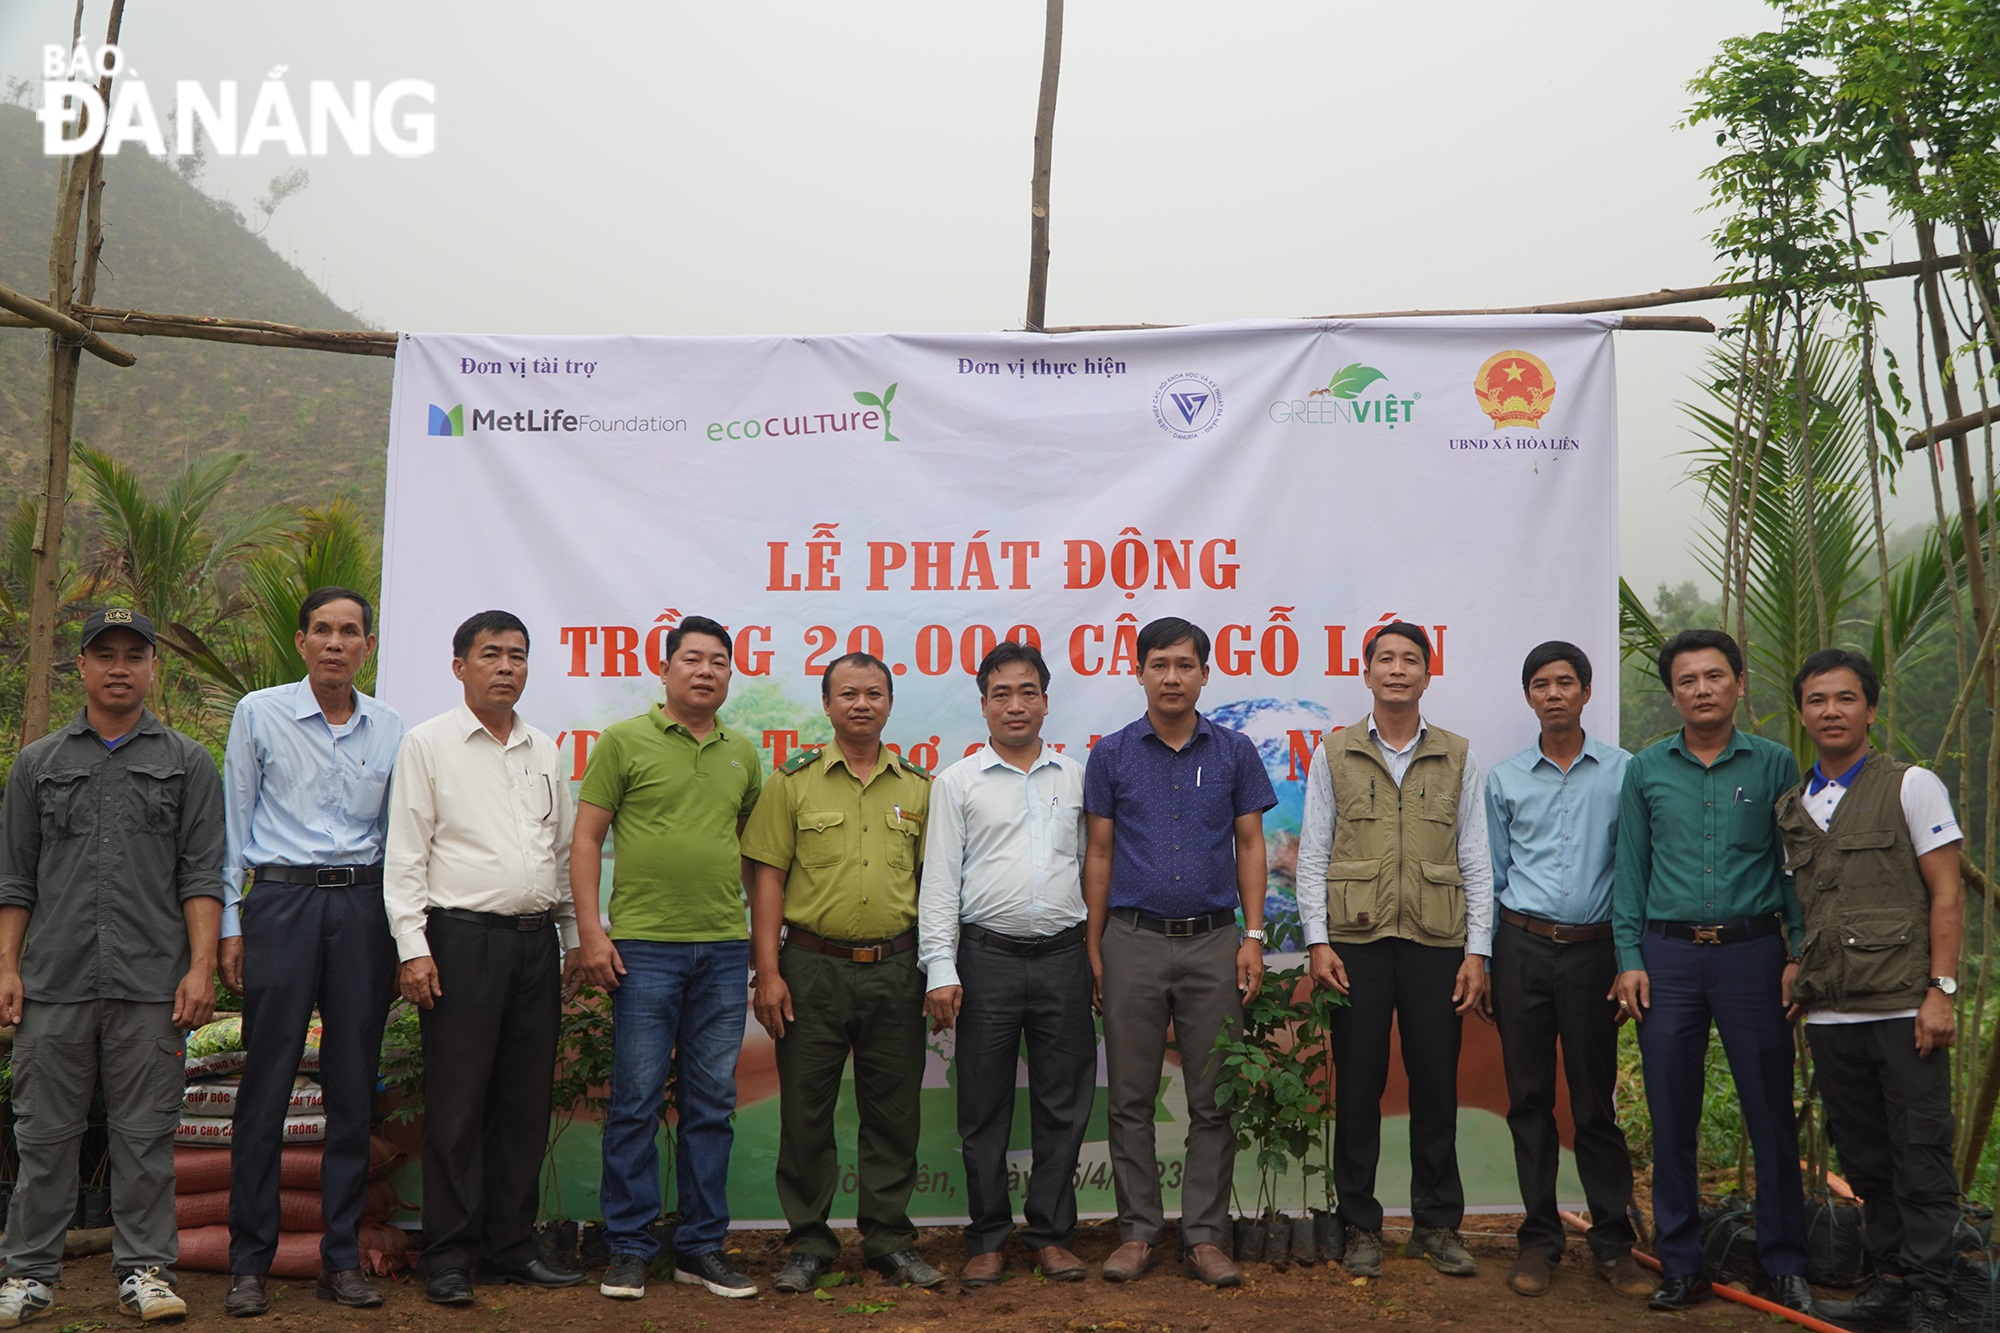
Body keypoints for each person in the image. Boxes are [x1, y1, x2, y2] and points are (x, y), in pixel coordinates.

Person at [0, 608, 223, 1325]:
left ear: (155, 666)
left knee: (146, 1135)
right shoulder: (38, 763)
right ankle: (28, 1275)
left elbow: (202, 875)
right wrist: (6, 966)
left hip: (151, 982)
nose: (120, 666)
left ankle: (146, 1271)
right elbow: (15, 879)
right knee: (43, 1137)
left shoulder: (188, 762)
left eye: (135, 653)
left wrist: (200, 967)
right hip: (53, 982)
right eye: (105, 654)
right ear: (83, 666)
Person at [383, 610, 584, 1306]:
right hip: (461, 941)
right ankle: (447, 1252)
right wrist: (413, 948)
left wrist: (573, 935)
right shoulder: (428, 744)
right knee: (458, 1105)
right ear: (459, 664)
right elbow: (406, 855)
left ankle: (509, 1247)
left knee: (525, 1103)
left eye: (518, 655)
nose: (506, 666)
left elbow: (556, 855)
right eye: (491, 653)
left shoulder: (545, 748)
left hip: (536, 944)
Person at [217, 587, 405, 1318]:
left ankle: (340, 1258)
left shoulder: (390, 727)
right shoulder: (259, 712)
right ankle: (248, 1263)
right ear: (301, 642)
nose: (335, 642)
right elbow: (234, 824)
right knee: (265, 1084)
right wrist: (233, 924)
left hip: (362, 907)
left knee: (353, 1087)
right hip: (282, 903)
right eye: (322, 630)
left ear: (369, 645)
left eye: (349, 631)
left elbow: (399, 837)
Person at [1612, 628, 1810, 1314]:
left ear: (1739, 684)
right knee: (1671, 1114)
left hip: (1753, 954)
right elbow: (1630, 872)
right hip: (1667, 957)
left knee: (1769, 1110)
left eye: (1714, 676)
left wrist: (1797, 953)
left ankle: (1784, 1261)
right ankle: (1682, 1262)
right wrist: (1630, 958)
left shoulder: (1775, 763)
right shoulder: (1646, 769)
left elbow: (1794, 867)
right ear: (1673, 693)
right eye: (1688, 680)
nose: (1702, 689)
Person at [570, 615, 762, 1301]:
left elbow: (748, 848)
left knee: (712, 1103)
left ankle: (702, 1245)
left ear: (728, 675)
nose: (705, 671)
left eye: (718, 661)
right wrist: (593, 934)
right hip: (644, 947)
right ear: (666, 668)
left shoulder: (745, 749)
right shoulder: (624, 741)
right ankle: (627, 1244)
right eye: (692, 659)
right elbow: (587, 839)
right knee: (636, 1101)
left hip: (722, 947)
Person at [741, 653, 944, 1294]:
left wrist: (936, 966)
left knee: (893, 1114)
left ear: (889, 704)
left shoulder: (918, 786)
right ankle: (808, 1244)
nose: (862, 703)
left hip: (897, 969)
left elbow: (938, 886)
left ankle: (889, 1241)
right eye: (848, 693)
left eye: (874, 693)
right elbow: (766, 876)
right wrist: (767, 969)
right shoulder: (793, 781)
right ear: (827, 705)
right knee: (806, 1113)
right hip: (810, 969)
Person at [1296, 620, 1492, 1280]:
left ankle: (1437, 1225)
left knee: (1437, 1085)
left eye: (1411, 658)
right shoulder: (1335, 752)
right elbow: (1313, 852)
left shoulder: (1460, 754)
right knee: (1358, 1087)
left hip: (1438, 941)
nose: (1398, 668)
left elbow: (1476, 856)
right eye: (1386, 658)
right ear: (1367, 671)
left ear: (1427, 673)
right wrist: (1317, 941)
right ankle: (1359, 1224)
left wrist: (1478, 950)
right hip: (1356, 942)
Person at [1084, 617, 1274, 1289]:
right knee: (1130, 1097)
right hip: (1131, 940)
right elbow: (1099, 852)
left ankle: (1204, 1236)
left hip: (1214, 942)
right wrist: (1095, 946)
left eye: (1184, 664)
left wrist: (1253, 936)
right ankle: (1136, 1231)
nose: (1171, 676)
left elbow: (1251, 844)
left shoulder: (1234, 751)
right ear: (1138, 672)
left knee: (1212, 1097)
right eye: (1159, 663)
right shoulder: (1111, 754)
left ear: (1204, 673)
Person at [1777, 650, 1962, 1333]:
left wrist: (1940, 990)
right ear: (1803, 712)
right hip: (1830, 1014)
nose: (1831, 710)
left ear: (1871, 709)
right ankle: (1889, 1282)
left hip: (1904, 1007)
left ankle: (1933, 1291)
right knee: (1865, 1155)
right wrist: (1796, 961)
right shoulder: (1794, 806)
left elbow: (1946, 892)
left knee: (1921, 1150)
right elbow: (1807, 904)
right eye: (1818, 699)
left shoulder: (1912, 785)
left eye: (1846, 698)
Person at [919, 641, 1093, 1289]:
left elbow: (1092, 868)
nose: (1015, 705)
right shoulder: (956, 782)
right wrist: (941, 965)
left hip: (1063, 958)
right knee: (983, 1106)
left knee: (1063, 1104)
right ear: (984, 704)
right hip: (984, 959)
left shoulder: (1077, 778)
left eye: (1028, 692)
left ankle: (1051, 1235)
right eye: (1002, 693)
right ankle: (988, 1237)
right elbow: (939, 881)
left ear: (1046, 701)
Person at [1482, 641, 1650, 1299]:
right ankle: (1539, 1239)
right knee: (1528, 1100)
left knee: (1592, 1102)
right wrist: (1488, 959)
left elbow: (1635, 872)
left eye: (1566, 682)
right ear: (1528, 696)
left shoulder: (1624, 772)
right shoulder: (1504, 778)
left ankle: (1613, 1240)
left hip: (1593, 952)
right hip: (1521, 947)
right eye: (1541, 684)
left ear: (1585, 692)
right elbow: (1491, 876)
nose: (1554, 693)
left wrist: (1628, 958)